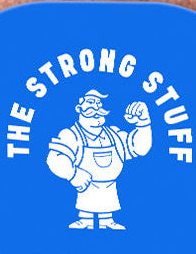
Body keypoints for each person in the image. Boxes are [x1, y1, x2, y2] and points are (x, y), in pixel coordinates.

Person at [47, 89, 151, 230]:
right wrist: (73, 174)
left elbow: (139, 148)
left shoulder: (114, 134)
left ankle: (107, 220)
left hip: (110, 190)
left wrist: (143, 124)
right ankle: (85, 220)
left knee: (107, 219)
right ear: (79, 108)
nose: (95, 107)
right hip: (85, 189)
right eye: (90, 102)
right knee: (84, 226)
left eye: (98, 103)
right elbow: (55, 158)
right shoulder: (71, 135)